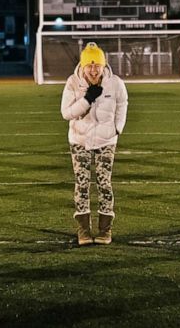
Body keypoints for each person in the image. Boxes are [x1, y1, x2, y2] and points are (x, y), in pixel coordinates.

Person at [60, 42, 128, 245]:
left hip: (106, 140)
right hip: (79, 140)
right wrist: (87, 100)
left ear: (103, 65)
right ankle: (83, 231)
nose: (93, 69)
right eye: (89, 65)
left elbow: (123, 103)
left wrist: (117, 128)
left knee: (104, 183)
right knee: (82, 184)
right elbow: (66, 113)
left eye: (97, 65)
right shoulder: (73, 82)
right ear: (82, 66)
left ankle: (105, 230)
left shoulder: (115, 83)